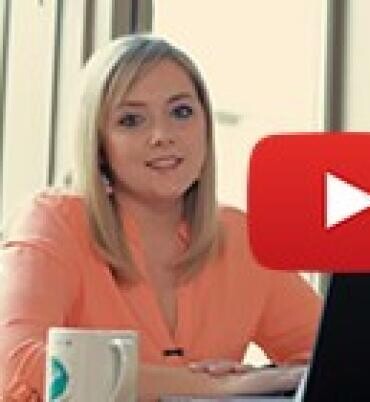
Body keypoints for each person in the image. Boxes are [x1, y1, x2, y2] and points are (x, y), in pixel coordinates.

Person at [0, 34, 321, 401]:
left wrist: (262, 377)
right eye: (131, 120)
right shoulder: (53, 222)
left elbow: (338, 361)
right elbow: (17, 364)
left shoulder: (240, 237)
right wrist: (216, 387)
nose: (162, 136)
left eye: (181, 112)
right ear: (99, 146)